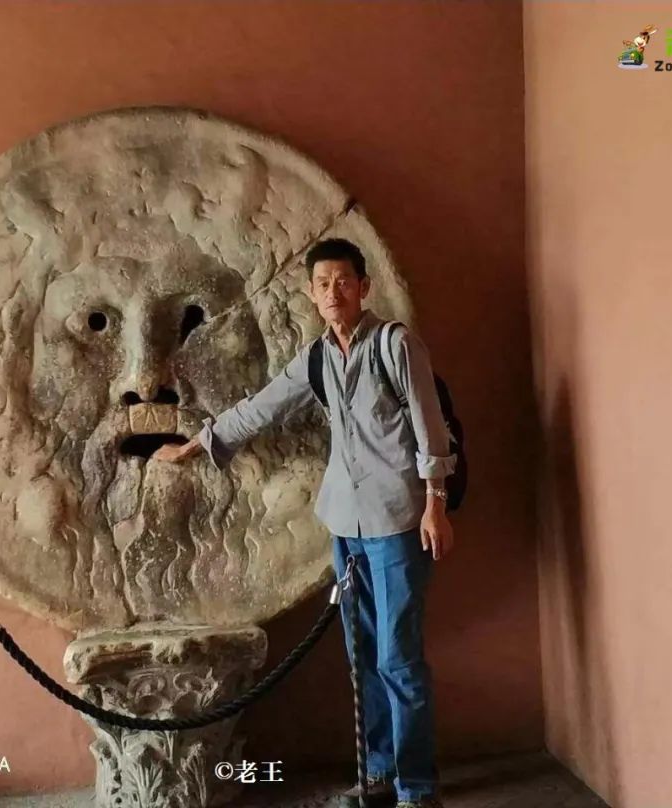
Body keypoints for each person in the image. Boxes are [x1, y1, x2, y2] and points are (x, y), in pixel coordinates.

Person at [154, 237, 456, 808]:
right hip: (346, 525)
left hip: (399, 521)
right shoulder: (316, 358)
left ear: (363, 287)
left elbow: (430, 427)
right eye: (322, 284)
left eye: (343, 281)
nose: (333, 292)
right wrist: (196, 443)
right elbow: (263, 406)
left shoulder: (395, 345)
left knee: (398, 657)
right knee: (363, 656)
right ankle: (378, 773)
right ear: (312, 295)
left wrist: (435, 505)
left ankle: (417, 787)